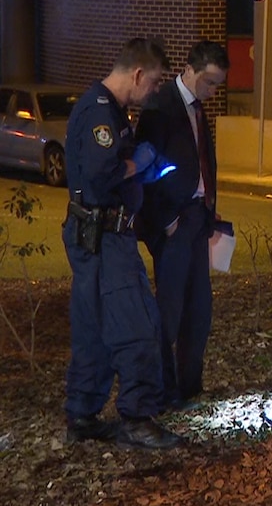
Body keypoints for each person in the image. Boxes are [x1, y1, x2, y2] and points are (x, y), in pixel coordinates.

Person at [63, 37, 181, 450]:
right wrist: (143, 161)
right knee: (138, 324)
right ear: (135, 74)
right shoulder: (99, 112)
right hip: (107, 237)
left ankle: (82, 412)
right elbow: (102, 175)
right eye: (151, 84)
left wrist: (144, 171)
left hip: (94, 234)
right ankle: (138, 417)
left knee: (93, 327)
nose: (152, 93)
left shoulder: (109, 110)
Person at [136, 40, 230, 412]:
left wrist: (209, 208)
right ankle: (164, 391)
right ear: (189, 70)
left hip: (196, 219)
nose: (212, 91)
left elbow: (200, 160)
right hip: (175, 222)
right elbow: (146, 171)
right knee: (170, 311)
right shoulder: (161, 107)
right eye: (208, 82)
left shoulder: (196, 108)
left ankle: (190, 386)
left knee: (198, 309)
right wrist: (166, 221)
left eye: (217, 85)